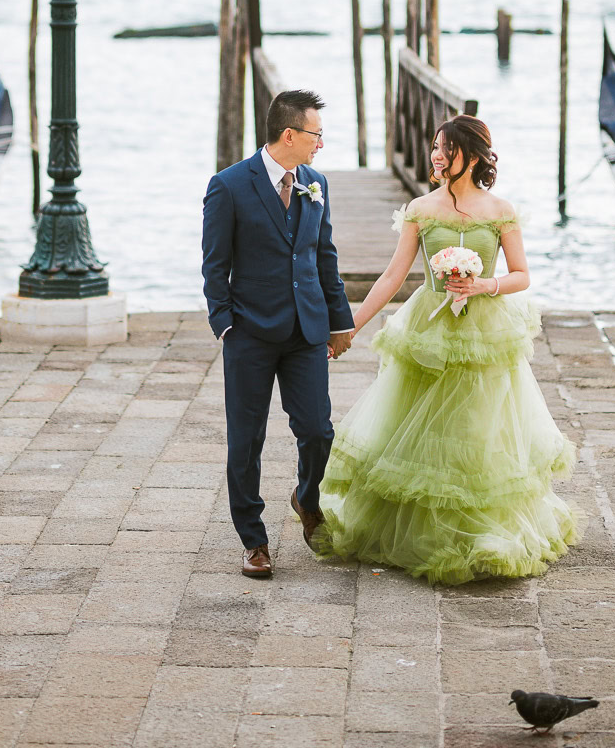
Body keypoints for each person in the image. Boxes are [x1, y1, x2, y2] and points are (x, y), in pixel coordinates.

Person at [314, 115, 578, 585]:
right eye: (435, 146)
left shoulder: (500, 210)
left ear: (474, 155)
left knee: (480, 422)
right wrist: (349, 326)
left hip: (485, 327)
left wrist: (484, 285)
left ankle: (483, 530)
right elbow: (394, 275)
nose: (437, 155)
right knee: (419, 422)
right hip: (428, 326)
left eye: (447, 148)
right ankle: (424, 530)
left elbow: (521, 274)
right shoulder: (422, 208)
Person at [201, 88, 355, 580]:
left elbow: (323, 257)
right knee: (246, 440)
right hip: (249, 332)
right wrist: (225, 324)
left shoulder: (315, 183)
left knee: (317, 431)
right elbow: (214, 265)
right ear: (289, 134)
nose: (321, 145)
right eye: (316, 135)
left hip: (306, 330)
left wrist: (338, 321)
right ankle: (253, 538)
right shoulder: (228, 186)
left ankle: (307, 499)